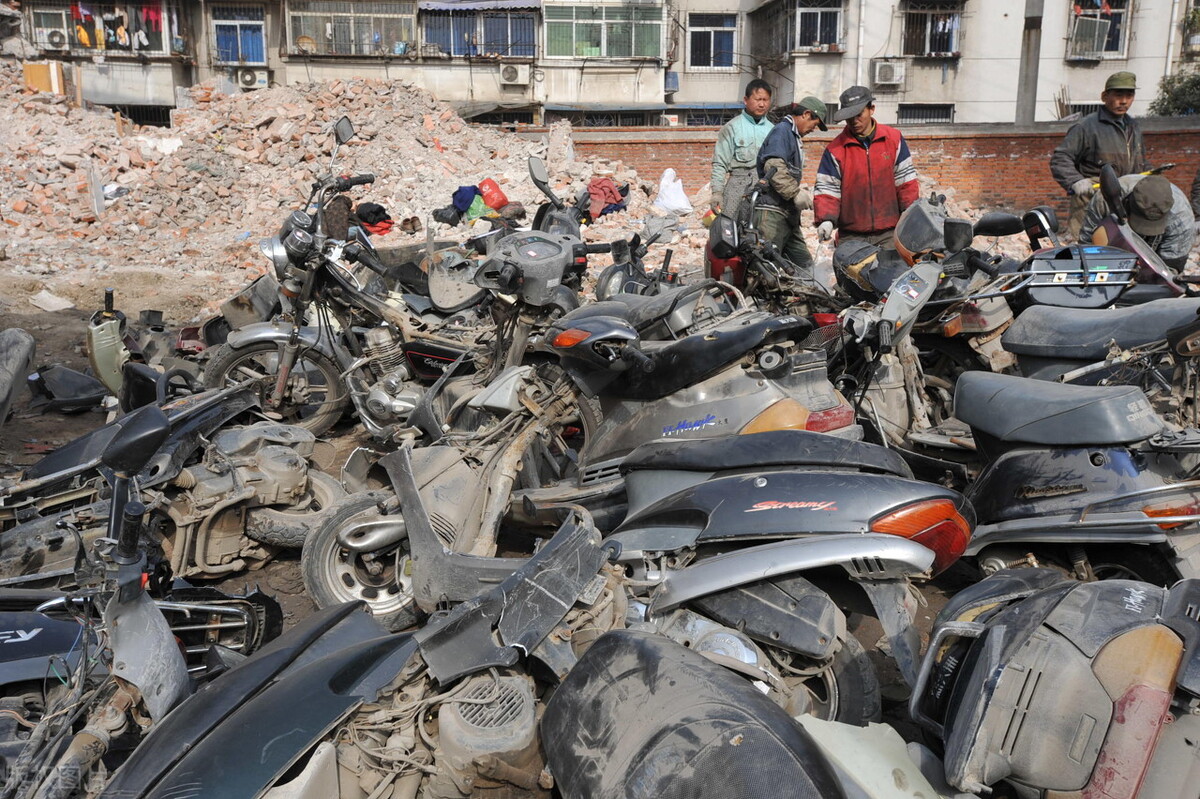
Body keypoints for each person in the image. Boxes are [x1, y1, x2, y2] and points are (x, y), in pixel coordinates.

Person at [813, 85, 918, 248]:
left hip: (890, 233)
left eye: (859, 114)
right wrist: (826, 219)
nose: (854, 121)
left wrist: (909, 214)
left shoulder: (893, 139)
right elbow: (828, 189)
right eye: (849, 117)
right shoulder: (836, 150)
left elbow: (905, 181)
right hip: (851, 236)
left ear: (871, 109)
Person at [1050, 71, 1150, 238]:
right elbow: (1060, 159)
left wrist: (1151, 175)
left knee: (1119, 248)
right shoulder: (1086, 126)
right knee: (1084, 248)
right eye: (1118, 95)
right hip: (1091, 198)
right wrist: (1075, 180)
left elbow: (1141, 161)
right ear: (1104, 96)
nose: (1124, 101)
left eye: (1129, 95)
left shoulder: (1133, 126)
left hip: (1124, 198)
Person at [751, 96, 829, 274]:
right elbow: (773, 166)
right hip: (771, 215)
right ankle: (758, 301)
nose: (813, 130)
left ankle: (806, 298)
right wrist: (795, 193)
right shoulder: (782, 131)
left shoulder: (793, 136)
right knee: (766, 268)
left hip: (787, 215)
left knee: (805, 267)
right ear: (806, 114)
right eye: (814, 124)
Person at [1081, 174, 1196, 272]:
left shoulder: (1181, 220)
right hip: (1112, 242)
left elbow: (1171, 267)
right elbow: (1086, 244)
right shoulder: (1105, 200)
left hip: (1160, 251)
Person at [710, 79, 774, 221]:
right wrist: (717, 193)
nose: (762, 104)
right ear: (746, 100)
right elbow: (719, 163)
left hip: (764, 186)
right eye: (758, 99)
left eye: (766, 100)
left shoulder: (773, 130)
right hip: (737, 185)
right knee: (728, 230)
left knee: (762, 230)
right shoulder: (732, 127)